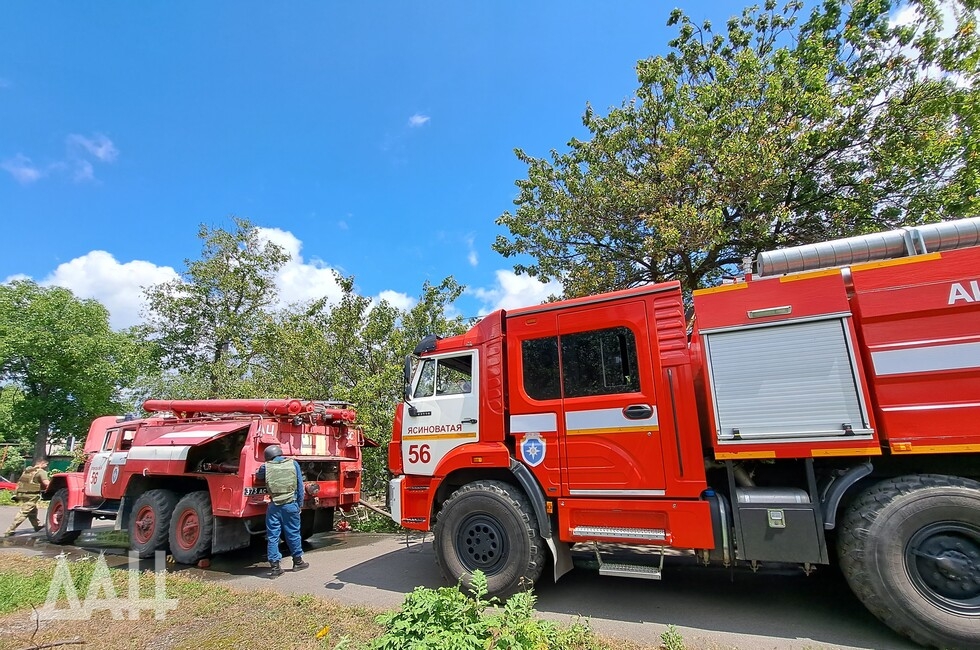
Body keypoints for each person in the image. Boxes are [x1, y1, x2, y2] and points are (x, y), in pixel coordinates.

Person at [255, 445, 309, 577]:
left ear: (268, 456)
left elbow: (259, 476)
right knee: (293, 533)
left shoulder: (265, 466)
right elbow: (300, 486)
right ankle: (298, 562)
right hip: (291, 505)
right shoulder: (293, 464)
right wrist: (299, 505)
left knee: (273, 536)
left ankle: (275, 568)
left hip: (274, 506)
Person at [4, 458, 49, 536]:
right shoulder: (41, 472)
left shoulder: (28, 470)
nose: (46, 466)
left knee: (33, 511)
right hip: (31, 495)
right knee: (24, 512)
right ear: (42, 463)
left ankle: (37, 526)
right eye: (46, 464)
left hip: (22, 493)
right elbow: (46, 483)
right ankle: (10, 530)